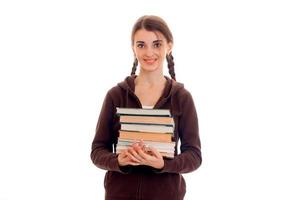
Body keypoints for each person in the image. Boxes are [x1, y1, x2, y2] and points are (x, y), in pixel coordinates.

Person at [91, 15, 202, 200]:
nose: (149, 52)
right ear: (133, 48)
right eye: (141, 45)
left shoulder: (182, 98)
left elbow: (194, 156)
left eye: (156, 44)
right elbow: (97, 150)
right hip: (119, 194)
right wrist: (118, 161)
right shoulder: (115, 95)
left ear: (169, 45)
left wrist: (164, 165)